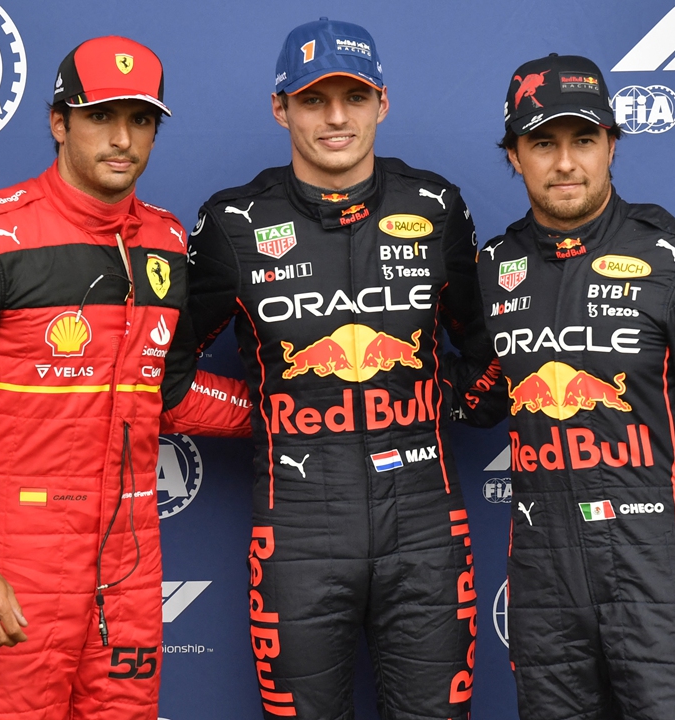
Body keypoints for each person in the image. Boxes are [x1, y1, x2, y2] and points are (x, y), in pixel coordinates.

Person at [0, 36, 251, 720]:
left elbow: (165, 395)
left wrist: (295, 408)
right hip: (16, 553)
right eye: (99, 116)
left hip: (132, 558)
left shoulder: (167, 242)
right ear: (59, 122)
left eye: (141, 120)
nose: (122, 139)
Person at [183, 17, 501, 720]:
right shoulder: (234, 221)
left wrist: (430, 403)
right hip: (296, 530)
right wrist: (260, 414)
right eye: (312, 99)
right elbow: (165, 374)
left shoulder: (435, 206)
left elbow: (490, 363)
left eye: (353, 98)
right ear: (280, 108)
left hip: (425, 528)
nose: (335, 117)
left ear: (382, 103)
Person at [477, 53, 675, 719]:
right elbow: (476, 401)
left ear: (611, 144)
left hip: (662, 575)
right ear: (513, 156)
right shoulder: (492, 270)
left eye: (583, 140)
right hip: (543, 576)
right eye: (542, 143)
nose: (565, 163)